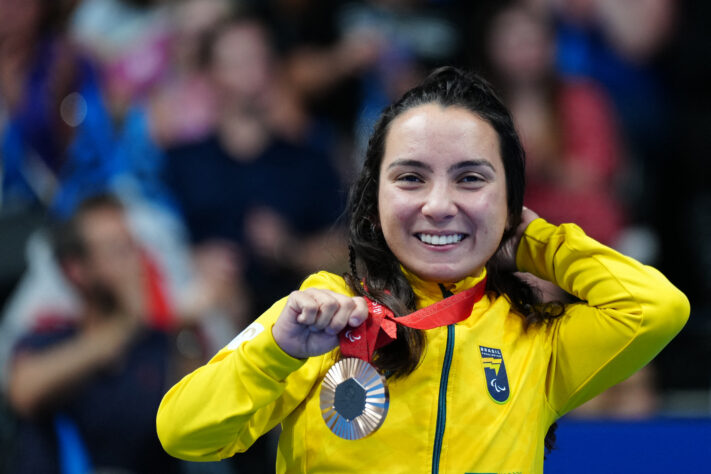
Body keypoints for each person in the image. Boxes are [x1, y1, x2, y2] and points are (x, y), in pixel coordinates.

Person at [155, 67, 689, 472]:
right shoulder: (323, 312)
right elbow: (183, 432)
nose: (438, 204)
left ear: (511, 201)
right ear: (374, 199)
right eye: (411, 178)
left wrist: (537, 241)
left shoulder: (535, 340)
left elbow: (657, 308)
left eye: (471, 179)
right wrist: (276, 350)